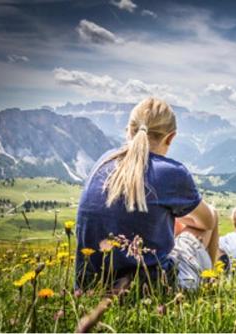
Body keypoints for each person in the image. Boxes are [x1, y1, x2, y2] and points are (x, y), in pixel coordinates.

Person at [74, 97, 218, 291]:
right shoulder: (172, 172)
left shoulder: (103, 161)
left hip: (91, 286)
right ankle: (209, 285)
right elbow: (208, 222)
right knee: (212, 214)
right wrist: (182, 222)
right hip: (149, 288)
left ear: (128, 130)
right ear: (170, 137)